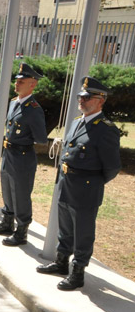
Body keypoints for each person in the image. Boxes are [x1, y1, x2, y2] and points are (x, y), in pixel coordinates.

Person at [36, 77, 121, 291]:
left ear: (101, 101)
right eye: (80, 97)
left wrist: (93, 183)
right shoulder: (76, 122)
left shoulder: (105, 129)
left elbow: (112, 167)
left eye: (87, 97)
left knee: (83, 231)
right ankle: (61, 262)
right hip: (67, 182)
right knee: (65, 227)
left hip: (87, 187)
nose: (81, 100)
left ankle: (78, 272)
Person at [0, 63, 47, 246]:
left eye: (22, 81)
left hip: (23, 156)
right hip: (9, 152)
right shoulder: (15, 102)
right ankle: (7, 222)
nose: (18, 83)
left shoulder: (34, 109)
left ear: (33, 84)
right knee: (6, 187)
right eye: (17, 80)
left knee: (20, 194)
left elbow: (41, 138)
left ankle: (21, 232)